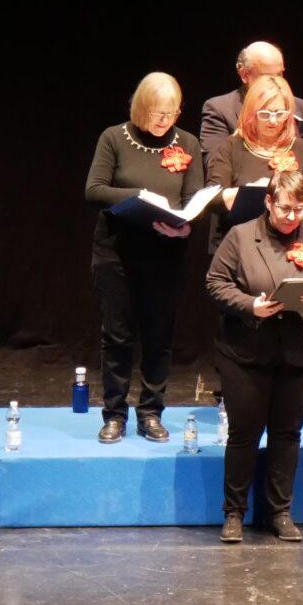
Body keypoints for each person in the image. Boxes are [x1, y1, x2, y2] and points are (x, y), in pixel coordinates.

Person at [205, 169, 303, 543]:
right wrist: (251, 305)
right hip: (246, 351)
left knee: (286, 433)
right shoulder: (241, 236)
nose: (291, 216)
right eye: (284, 208)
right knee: (244, 434)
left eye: (299, 209)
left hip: (298, 352)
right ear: (268, 202)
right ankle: (234, 512)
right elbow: (215, 283)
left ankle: (280, 512)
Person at [83, 72, 202, 443]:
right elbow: (94, 190)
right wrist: (140, 196)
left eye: (171, 113)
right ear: (140, 108)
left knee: (158, 335)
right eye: (157, 113)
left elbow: (193, 198)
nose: (164, 121)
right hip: (117, 252)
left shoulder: (188, 143)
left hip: (165, 253)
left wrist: (185, 227)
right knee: (117, 336)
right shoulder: (114, 137)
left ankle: (151, 412)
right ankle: (114, 414)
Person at [205, 75, 303, 252]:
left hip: (292, 242)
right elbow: (212, 198)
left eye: (280, 114)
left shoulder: (301, 148)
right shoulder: (231, 147)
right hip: (243, 242)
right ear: (251, 113)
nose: (273, 121)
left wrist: (288, 217)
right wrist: (249, 191)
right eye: (265, 114)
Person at [200, 42, 303, 160]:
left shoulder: (298, 106)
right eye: (267, 76)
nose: (275, 82)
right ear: (244, 75)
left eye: (280, 74)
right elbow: (215, 162)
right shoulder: (219, 109)